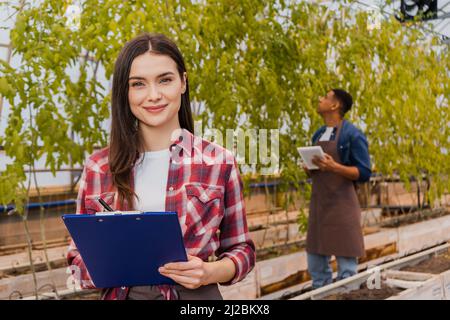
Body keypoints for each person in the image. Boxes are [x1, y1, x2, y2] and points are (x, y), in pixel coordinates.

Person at [67, 33, 255, 300]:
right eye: (138, 84)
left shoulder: (218, 162)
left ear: (183, 82)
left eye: (165, 80)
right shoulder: (99, 167)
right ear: (125, 92)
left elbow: (242, 249)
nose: (153, 96)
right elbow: (77, 258)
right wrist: (101, 266)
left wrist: (208, 272)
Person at [304, 89, 371, 289]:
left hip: (343, 208)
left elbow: (364, 172)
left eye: (325, 97)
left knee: (347, 272)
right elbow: (318, 172)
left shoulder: (352, 135)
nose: (319, 99)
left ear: (335, 105)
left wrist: (335, 167)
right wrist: (309, 168)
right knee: (316, 266)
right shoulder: (318, 133)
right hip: (319, 207)